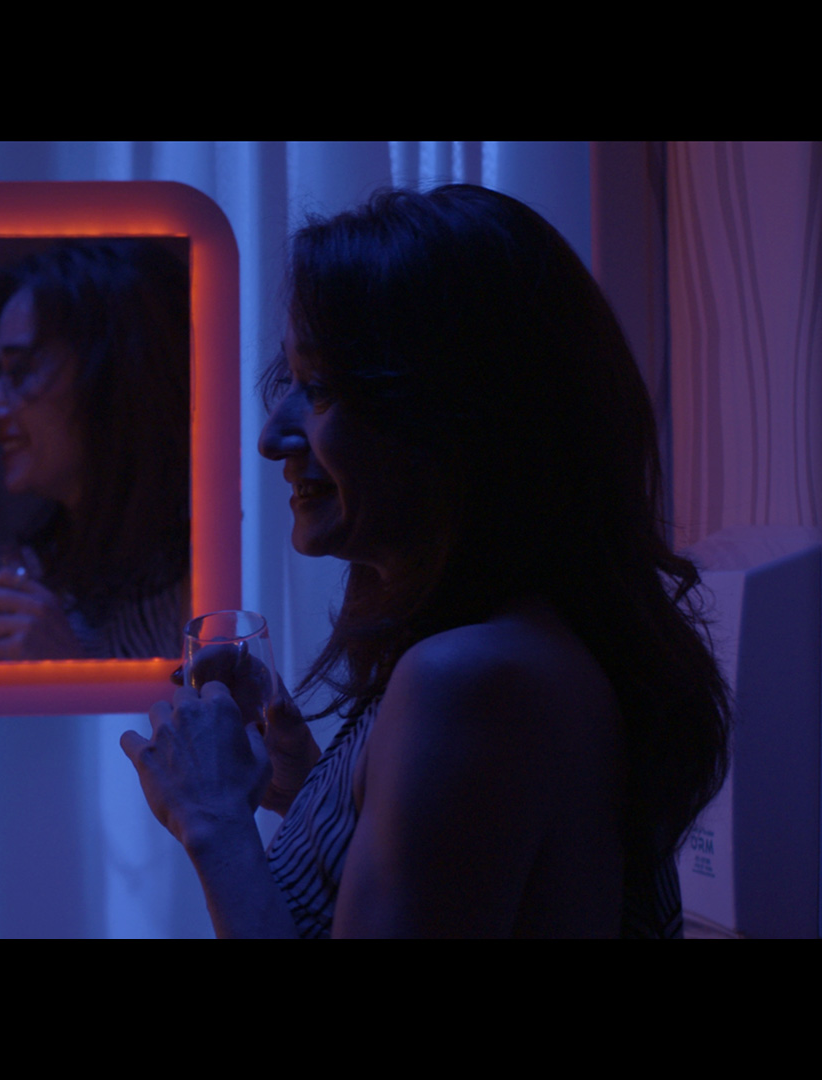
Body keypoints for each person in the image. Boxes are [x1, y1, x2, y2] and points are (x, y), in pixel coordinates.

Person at [121, 186, 730, 938]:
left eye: (319, 389)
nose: (273, 437)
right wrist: (314, 787)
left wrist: (215, 822)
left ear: (454, 416)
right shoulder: (516, 656)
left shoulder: (474, 680)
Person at [0, 241, 190, 662]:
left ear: (113, 373)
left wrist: (68, 674)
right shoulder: (35, 574)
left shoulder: (221, 563)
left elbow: (216, 707)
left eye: (20, 371)